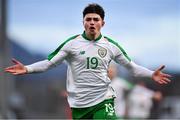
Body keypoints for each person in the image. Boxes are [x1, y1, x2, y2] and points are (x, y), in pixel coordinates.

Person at [4, 3, 171, 119]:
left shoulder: (111, 46)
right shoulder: (72, 43)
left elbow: (132, 68)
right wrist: (27, 68)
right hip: (80, 104)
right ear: (83, 22)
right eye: (88, 19)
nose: (92, 22)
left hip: (104, 100)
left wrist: (151, 74)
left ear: (102, 23)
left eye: (95, 19)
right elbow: (49, 63)